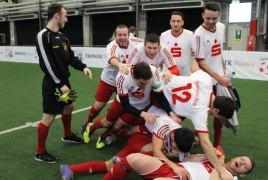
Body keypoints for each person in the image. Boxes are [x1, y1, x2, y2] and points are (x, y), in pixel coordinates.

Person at [155, 59, 236, 180]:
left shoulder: (206, 80)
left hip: (159, 79)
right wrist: (221, 169)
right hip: (157, 100)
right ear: (217, 111)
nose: (218, 118)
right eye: (220, 117)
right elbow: (205, 143)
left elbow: (194, 62)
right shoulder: (200, 112)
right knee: (145, 131)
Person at [35, 3, 92, 163]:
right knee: (49, 117)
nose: (67, 19)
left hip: (63, 81)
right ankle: (40, 153)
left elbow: (70, 57)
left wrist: (83, 67)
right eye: (65, 16)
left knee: (70, 107)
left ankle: (67, 135)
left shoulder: (63, 37)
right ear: (57, 15)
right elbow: (46, 64)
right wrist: (60, 85)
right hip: (53, 83)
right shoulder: (43, 36)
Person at [83, 62, 181, 149]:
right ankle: (91, 127)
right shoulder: (123, 77)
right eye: (141, 84)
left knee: (117, 127)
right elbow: (125, 104)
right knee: (106, 123)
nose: (145, 87)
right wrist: (143, 114)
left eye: (147, 83)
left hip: (139, 106)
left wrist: (171, 113)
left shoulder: (154, 72)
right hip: (122, 102)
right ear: (134, 76)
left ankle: (103, 136)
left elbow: (159, 95)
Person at [81, 24, 138, 138]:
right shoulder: (112, 46)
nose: (122, 37)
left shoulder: (134, 43)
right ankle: (87, 123)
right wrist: (120, 65)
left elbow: (147, 43)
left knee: (123, 107)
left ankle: (113, 131)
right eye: (119, 35)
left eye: (124, 35)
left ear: (128, 35)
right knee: (98, 106)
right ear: (115, 35)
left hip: (124, 83)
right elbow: (113, 60)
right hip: (108, 81)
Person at [193, 1, 231, 153]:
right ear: (203, 15)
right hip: (205, 82)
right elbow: (200, 61)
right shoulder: (198, 34)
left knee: (219, 113)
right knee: (205, 113)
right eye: (207, 18)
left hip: (219, 79)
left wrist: (222, 68)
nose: (210, 22)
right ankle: (205, 144)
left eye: (213, 18)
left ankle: (216, 145)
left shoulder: (221, 27)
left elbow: (219, 50)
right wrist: (217, 77)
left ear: (218, 16)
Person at [103, 152, 255, 180]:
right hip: (175, 168)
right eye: (242, 159)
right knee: (133, 158)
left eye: (244, 166)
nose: (241, 162)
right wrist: (207, 155)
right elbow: (187, 157)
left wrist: (218, 167)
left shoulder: (232, 178)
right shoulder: (216, 158)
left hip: (185, 179)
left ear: (242, 174)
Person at [160, 11, 194, 76]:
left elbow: (197, 54)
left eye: (178, 21)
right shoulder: (163, 35)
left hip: (185, 75)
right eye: (173, 21)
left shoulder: (190, 35)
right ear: (170, 22)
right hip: (168, 76)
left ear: (182, 22)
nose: (175, 24)